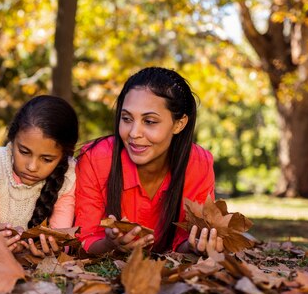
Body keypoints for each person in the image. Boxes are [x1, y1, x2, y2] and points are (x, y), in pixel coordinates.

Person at [75, 67, 224, 255]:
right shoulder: (96, 159)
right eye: (127, 118)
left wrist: (197, 245)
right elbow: (85, 236)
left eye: (150, 121)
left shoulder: (198, 164)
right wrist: (109, 244)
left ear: (179, 124)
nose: (134, 133)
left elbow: (185, 239)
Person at [0, 95, 78, 257]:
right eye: (24, 152)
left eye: (47, 159)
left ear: (63, 155)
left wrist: (49, 247)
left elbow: (62, 237)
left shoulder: (67, 177)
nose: (32, 167)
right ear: (12, 137)